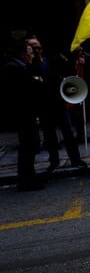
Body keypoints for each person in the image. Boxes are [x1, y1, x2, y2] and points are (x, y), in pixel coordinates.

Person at [27, 36, 87, 173]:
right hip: (44, 105)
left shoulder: (51, 59)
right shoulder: (30, 64)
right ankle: (54, 161)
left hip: (58, 102)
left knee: (68, 132)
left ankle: (75, 159)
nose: (37, 50)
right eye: (33, 48)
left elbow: (64, 71)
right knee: (49, 136)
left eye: (38, 47)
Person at [1, 42, 45, 191]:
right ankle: (27, 180)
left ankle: (28, 178)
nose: (32, 55)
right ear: (22, 54)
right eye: (30, 52)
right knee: (28, 147)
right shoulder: (14, 68)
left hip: (26, 114)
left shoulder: (20, 67)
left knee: (30, 147)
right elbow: (23, 96)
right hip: (24, 115)